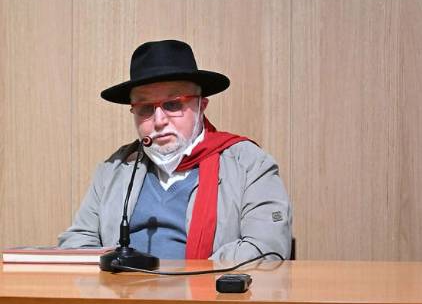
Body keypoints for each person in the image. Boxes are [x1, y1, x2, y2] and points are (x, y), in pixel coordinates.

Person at [59, 40, 291, 261]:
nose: (159, 120)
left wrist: (186, 277)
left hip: (208, 289)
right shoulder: (114, 169)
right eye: (145, 108)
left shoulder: (249, 164)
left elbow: (267, 247)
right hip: (123, 289)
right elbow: (77, 240)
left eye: (173, 104)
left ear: (201, 106)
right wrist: (116, 273)